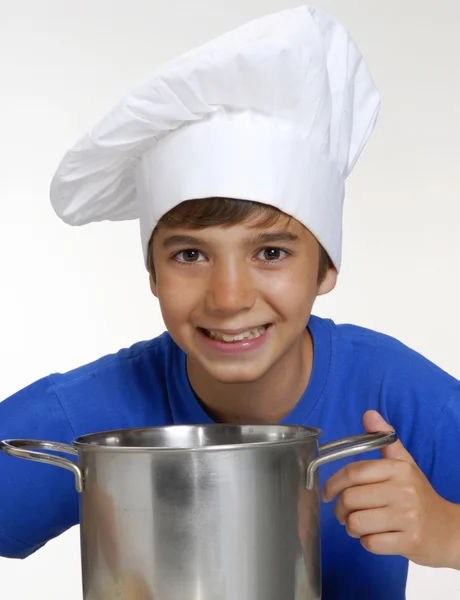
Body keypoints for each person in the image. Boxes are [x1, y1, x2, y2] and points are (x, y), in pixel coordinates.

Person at [0, 5, 459, 599]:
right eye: (190, 255)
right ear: (152, 273)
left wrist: (447, 532)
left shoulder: (391, 393)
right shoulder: (86, 417)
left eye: (270, 252)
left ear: (326, 269)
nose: (229, 297)